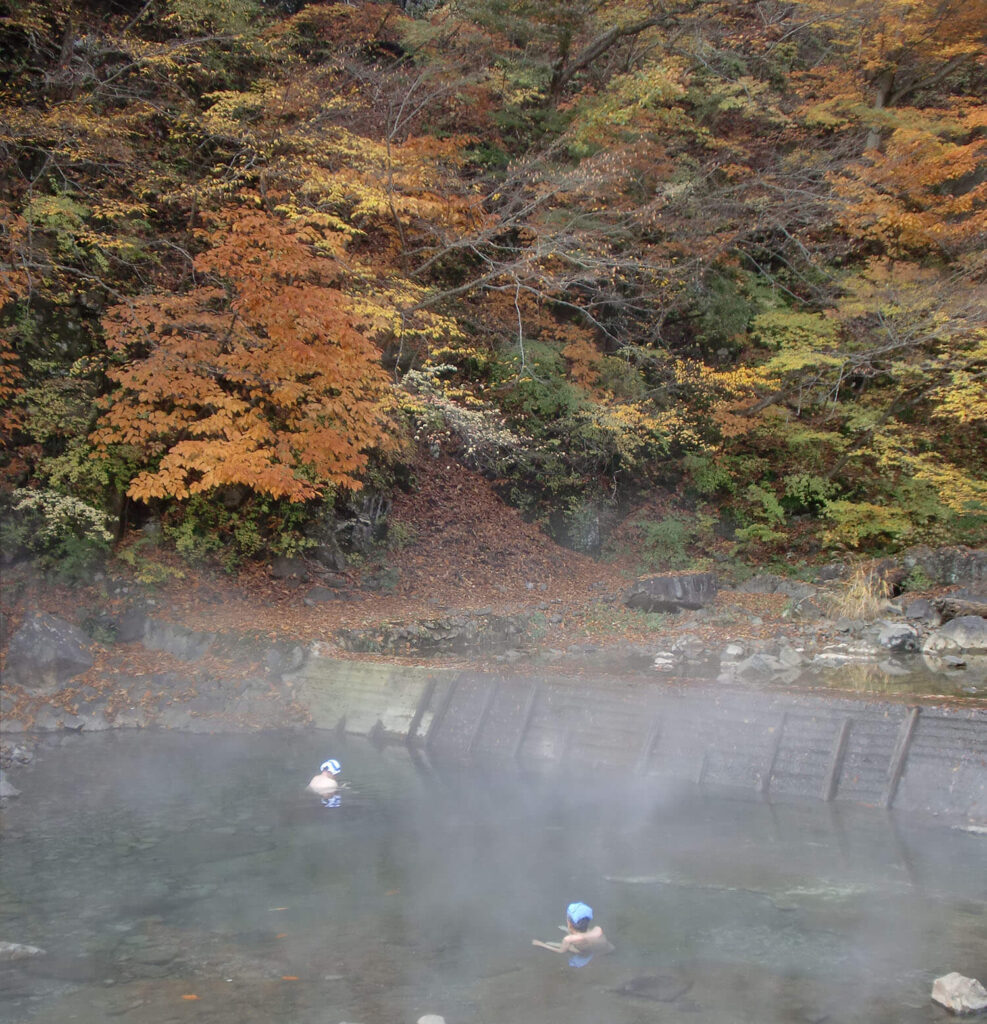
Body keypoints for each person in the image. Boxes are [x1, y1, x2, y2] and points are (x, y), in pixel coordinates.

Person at [532, 902, 612, 966]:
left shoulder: (569, 939)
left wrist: (541, 944)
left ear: (569, 923)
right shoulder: (597, 930)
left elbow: (561, 951)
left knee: (569, 947)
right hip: (607, 949)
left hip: (586, 952)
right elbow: (583, 935)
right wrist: (568, 930)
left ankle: (549, 944)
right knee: (581, 942)